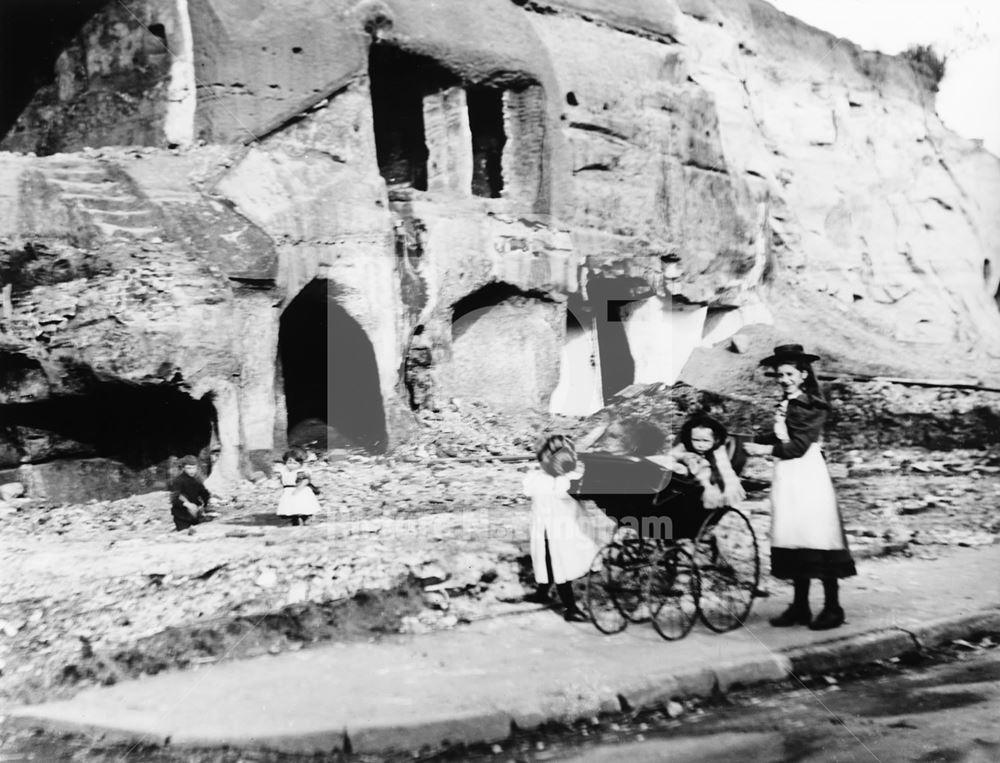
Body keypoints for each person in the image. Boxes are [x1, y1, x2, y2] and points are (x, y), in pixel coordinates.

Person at [743, 344, 856, 631]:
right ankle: (801, 606)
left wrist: (761, 449)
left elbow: (798, 446)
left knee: (816, 533)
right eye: (780, 374)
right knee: (793, 532)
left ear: (804, 374)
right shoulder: (789, 402)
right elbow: (784, 434)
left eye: (790, 373)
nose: (784, 379)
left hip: (806, 473)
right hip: (788, 474)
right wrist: (752, 437)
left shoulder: (812, 405)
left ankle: (833, 607)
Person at [523, 434, 598, 622]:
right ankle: (561, 603)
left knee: (554, 564)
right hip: (554, 530)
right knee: (555, 564)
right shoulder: (553, 480)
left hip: (555, 530)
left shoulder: (549, 479)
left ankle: (555, 600)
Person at [659, 413, 746, 510]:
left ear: (715, 440)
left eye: (706, 441)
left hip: (710, 482)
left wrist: (715, 486)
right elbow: (671, 456)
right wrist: (682, 458)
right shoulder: (685, 446)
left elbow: (725, 470)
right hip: (689, 481)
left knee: (717, 488)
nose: (700, 445)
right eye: (696, 440)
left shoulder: (718, 451)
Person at [276, 448, 321, 526]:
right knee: (290, 506)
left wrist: (298, 489)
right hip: (288, 490)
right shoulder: (284, 471)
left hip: (300, 491)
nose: (291, 465)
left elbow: (305, 481)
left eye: (295, 463)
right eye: (289, 462)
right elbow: (283, 481)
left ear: (300, 464)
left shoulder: (300, 472)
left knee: (301, 505)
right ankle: (294, 520)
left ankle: (305, 518)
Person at [169, 455, 211, 531]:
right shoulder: (178, 481)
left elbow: (205, 494)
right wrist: (187, 504)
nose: (192, 471)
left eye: (193, 468)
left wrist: (204, 506)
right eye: (189, 468)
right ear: (184, 468)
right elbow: (173, 499)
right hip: (182, 516)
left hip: (195, 515)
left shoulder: (197, 480)